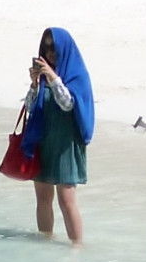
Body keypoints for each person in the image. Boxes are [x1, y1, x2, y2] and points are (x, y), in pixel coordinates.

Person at [23, 27, 95, 244]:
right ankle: (45, 242)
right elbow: (29, 107)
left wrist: (53, 78)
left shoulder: (76, 74)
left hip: (66, 143)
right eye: (46, 48)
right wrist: (35, 84)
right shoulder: (45, 77)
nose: (50, 53)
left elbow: (68, 104)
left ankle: (77, 247)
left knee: (66, 200)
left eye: (54, 47)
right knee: (43, 198)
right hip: (43, 140)